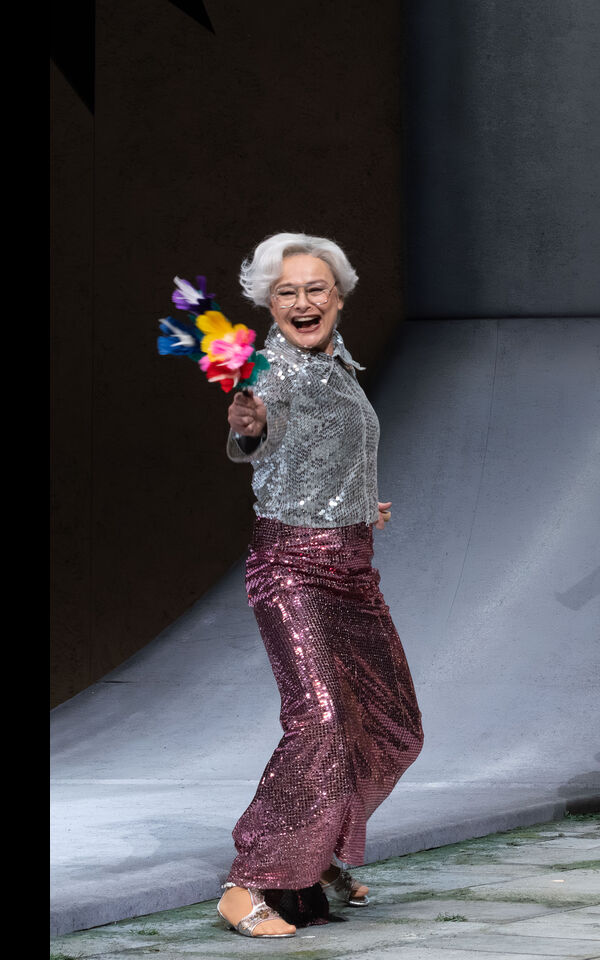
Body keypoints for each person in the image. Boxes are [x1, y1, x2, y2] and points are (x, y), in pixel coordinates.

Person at [217, 233, 424, 937]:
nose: (303, 302)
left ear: (338, 296)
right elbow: (255, 430)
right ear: (269, 304)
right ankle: (251, 881)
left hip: (353, 567)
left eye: (315, 289)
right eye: (287, 292)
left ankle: (315, 853)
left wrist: (360, 506)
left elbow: (329, 454)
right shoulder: (268, 372)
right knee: (321, 721)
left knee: (395, 727)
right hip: (293, 570)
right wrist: (248, 426)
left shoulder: (340, 366)